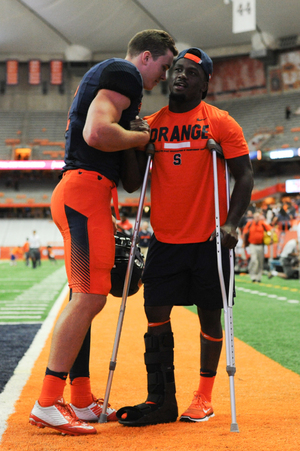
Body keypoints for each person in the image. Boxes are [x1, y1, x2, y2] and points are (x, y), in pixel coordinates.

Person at [29, 29, 177, 436]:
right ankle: (46, 402)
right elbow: (96, 134)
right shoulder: (123, 73)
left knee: (85, 297)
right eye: (164, 66)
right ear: (146, 56)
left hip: (87, 192)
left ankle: (80, 397)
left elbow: (128, 177)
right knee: (90, 299)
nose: (164, 76)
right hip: (85, 193)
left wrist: (134, 139)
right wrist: (140, 136)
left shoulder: (114, 81)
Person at [116, 47, 254, 426]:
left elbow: (244, 175)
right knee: (155, 312)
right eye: (176, 69)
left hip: (210, 239)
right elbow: (131, 183)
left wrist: (231, 224)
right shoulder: (152, 123)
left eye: (191, 73)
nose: (180, 76)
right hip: (165, 239)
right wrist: (134, 143)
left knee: (210, 318)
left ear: (205, 83)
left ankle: (204, 397)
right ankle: (161, 398)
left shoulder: (221, 123)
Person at [243, 212, 272, 282]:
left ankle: (258, 277)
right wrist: (244, 243)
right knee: (254, 260)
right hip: (252, 245)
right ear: (254, 217)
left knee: (260, 261)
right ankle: (253, 276)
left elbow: (270, 230)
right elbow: (245, 233)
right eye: (256, 217)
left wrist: (271, 238)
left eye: (258, 217)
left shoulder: (262, 224)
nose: (257, 218)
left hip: (261, 245)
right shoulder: (250, 224)